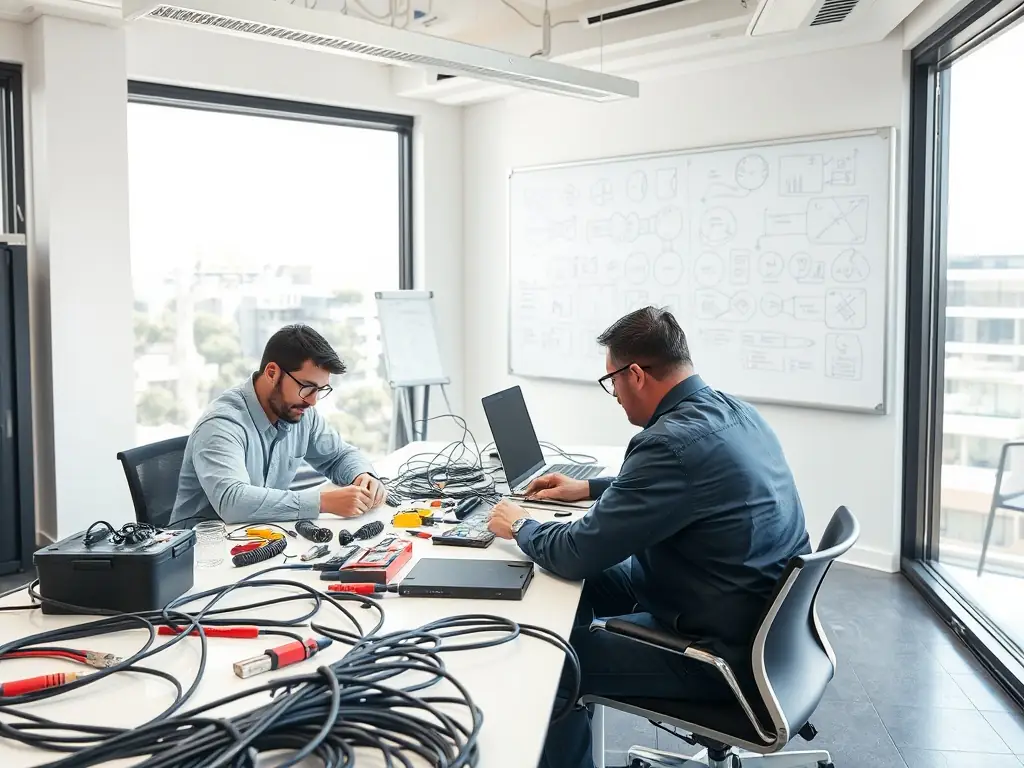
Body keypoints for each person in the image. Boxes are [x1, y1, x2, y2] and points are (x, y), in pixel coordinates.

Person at [487, 306, 811, 768]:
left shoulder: (667, 444)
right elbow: (685, 483)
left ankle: (577, 680)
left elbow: (576, 551)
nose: (615, 396)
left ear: (635, 375)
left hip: (717, 656)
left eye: (611, 382)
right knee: (586, 583)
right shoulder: (735, 412)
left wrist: (520, 525)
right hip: (761, 629)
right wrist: (589, 488)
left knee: (552, 661)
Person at [169, 324, 385, 529]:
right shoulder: (221, 424)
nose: (313, 401)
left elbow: (339, 456)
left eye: (320, 390)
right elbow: (232, 502)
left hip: (258, 536)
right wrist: (323, 502)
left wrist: (363, 476)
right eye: (307, 387)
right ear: (272, 373)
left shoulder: (299, 411)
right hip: (199, 548)